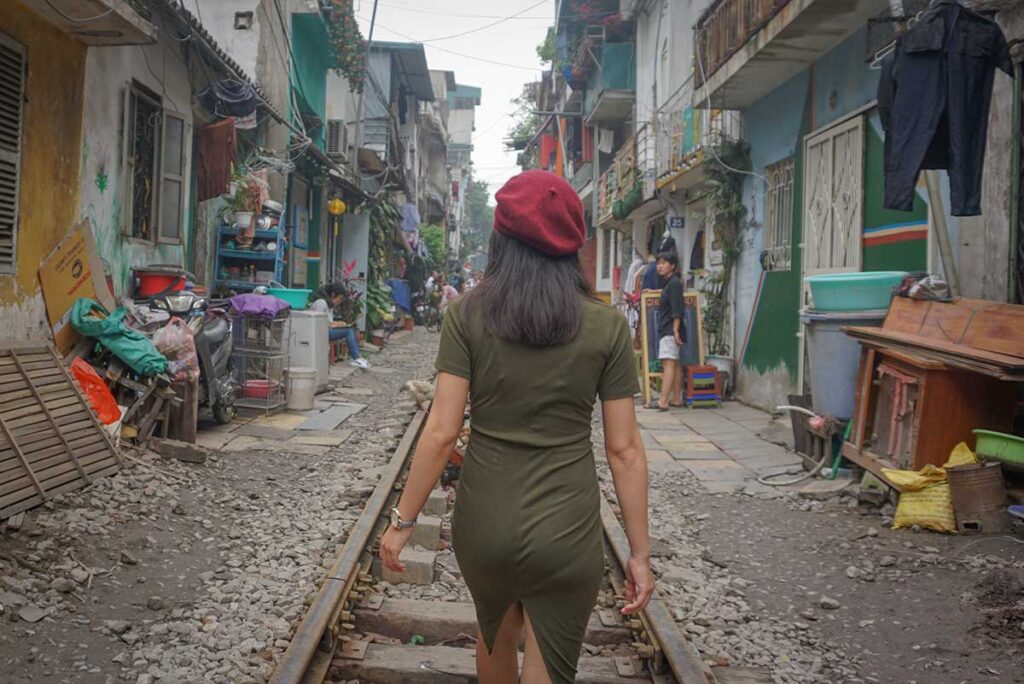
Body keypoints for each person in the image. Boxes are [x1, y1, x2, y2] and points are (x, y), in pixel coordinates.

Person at [379, 170, 653, 684]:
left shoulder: (467, 316)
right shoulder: (608, 327)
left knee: (495, 633)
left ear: (499, 240)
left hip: (486, 523)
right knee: (550, 659)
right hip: (567, 528)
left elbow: (440, 432)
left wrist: (402, 521)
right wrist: (639, 554)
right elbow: (625, 451)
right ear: (572, 245)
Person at [648, 252, 684, 410]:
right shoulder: (669, 283)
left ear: (673, 266)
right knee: (674, 364)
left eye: (664, 263)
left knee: (668, 364)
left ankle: (663, 401)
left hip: (670, 329)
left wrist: (675, 331)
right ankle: (676, 398)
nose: (660, 266)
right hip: (670, 328)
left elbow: (678, 309)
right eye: (658, 263)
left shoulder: (674, 283)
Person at [310, 283, 370, 370]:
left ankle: (357, 356)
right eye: (340, 298)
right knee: (348, 331)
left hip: (326, 330)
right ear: (333, 294)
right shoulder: (321, 303)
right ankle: (356, 358)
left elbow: (328, 321)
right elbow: (317, 322)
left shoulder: (329, 305)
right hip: (320, 332)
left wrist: (338, 323)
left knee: (350, 329)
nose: (340, 301)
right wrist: (333, 324)